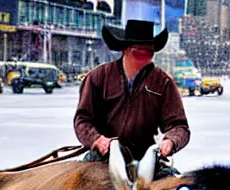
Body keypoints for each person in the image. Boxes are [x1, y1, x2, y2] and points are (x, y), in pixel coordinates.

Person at [73, 20, 190, 165]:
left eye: (148, 53)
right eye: (138, 53)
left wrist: (171, 141)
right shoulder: (98, 77)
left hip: (146, 157)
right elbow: (83, 119)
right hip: (102, 157)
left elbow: (179, 126)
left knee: (176, 186)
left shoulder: (163, 82)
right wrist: (97, 139)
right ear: (125, 50)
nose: (144, 59)